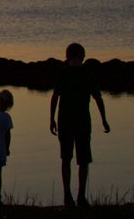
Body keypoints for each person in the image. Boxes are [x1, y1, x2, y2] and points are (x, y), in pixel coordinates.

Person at [50, 43, 110, 207]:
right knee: (83, 160)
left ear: (67, 56)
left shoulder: (63, 72)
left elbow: (55, 96)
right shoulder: (87, 72)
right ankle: (81, 196)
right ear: (82, 56)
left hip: (65, 122)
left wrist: (51, 119)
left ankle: (67, 195)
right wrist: (104, 119)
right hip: (82, 122)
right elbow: (98, 97)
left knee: (66, 159)